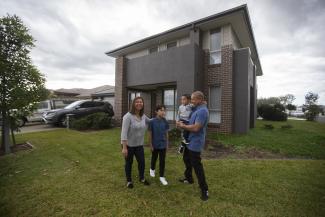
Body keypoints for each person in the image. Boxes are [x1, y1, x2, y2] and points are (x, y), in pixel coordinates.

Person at [176, 91, 209, 201]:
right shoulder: (196, 108)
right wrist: (181, 123)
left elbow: (196, 128)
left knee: (197, 166)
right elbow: (189, 118)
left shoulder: (203, 111)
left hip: (196, 142)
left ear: (199, 99)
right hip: (189, 140)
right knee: (186, 159)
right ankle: (189, 178)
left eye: (193, 99)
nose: (192, 101)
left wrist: (183, 126)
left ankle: (204, 190)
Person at [121, 96, 150, 188]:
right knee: (129, 163)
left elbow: (151, 122)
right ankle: (129, 181)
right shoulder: (127, 116)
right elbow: (124, 133)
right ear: (133, 104)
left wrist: (160, 118)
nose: (139, 103)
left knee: (142, 162)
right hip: (128, 145)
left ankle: (142, 178)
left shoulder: (143, 116)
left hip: (139, 145)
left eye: (141, 102)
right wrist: (124, 148)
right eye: (137, 102)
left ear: (143, 104)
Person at [148, 105, 170, 185]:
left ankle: (161, 176)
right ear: (156, 112)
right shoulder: (152, 122)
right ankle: (152, 169)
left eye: (164, 110)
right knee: (154, 158)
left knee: (162, 161)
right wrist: (150, 145)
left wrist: (167, 144)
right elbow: (150, 134)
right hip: (155, 144)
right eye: (161, 110)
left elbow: (166, 134)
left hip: (163, 144)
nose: (163, 112)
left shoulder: (165, 122)